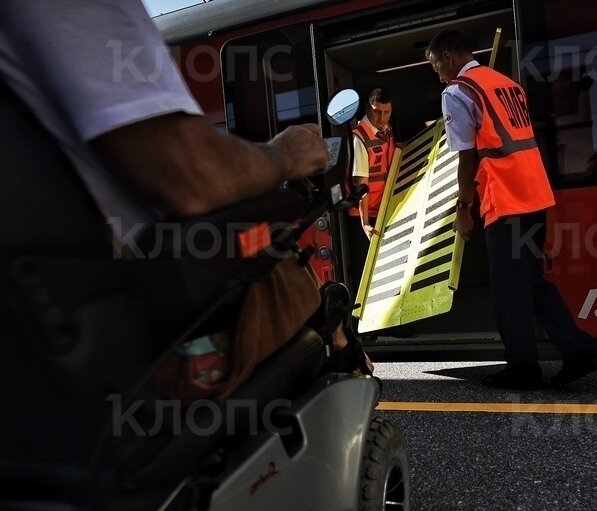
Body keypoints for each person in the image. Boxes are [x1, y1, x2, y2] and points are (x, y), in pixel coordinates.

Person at [0, 0, 370, 392]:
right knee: (319, 301)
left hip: (34, 361)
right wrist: (285, 155)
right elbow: (190, 175)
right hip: (150, 327)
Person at [425, 29, 597, 389]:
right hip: (535, 194)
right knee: (533, 281)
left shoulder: (457, 92)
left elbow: (466, 156)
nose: (438, 75)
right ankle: (579, 351)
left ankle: (523, 368)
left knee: (509, 288)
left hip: (505, 198)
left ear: (448, 58)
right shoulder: (505, 84)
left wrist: (464, 207)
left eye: (435, 66)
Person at [346, 87, 396, 297]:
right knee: (369, 274)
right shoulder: (359, 137)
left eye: (386, 112)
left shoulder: (387, 129)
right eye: (377, 111)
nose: (381, 117)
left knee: (386, 268)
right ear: (367, 108)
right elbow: (361, 185)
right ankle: (366, 329)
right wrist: (365, 223)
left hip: (383, 209)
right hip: (366, 215)